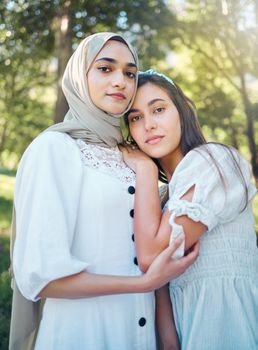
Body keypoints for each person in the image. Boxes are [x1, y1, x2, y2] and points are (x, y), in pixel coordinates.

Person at [9, 34, 199, 350]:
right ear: (80, 76)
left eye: (129, 73)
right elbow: (41, 277)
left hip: (140, 337)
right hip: (82, 333)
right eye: (105, 68)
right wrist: (143, 283)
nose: (120, 82)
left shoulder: (135, 158)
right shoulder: (54, 149)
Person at [122, 69, 258, 350]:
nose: (148, 125)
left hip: (230, 329)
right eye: (136, 118)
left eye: (158, 109)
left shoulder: (217, 161)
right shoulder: (160, 199)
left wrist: (145, 168)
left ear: (182, 112)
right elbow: (161, 295)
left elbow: (151, 257)